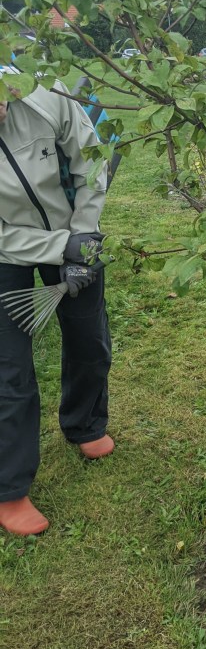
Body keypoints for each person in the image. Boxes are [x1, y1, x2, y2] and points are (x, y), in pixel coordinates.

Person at [0, 73, 113, 536]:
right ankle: (9, 489)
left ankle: (84, 424)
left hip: (74, 230)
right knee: (9, 371)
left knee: (89, 339)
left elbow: (91, 159)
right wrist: (57, 249)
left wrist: (83, 234)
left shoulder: (45, 93)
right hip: (6, 250)